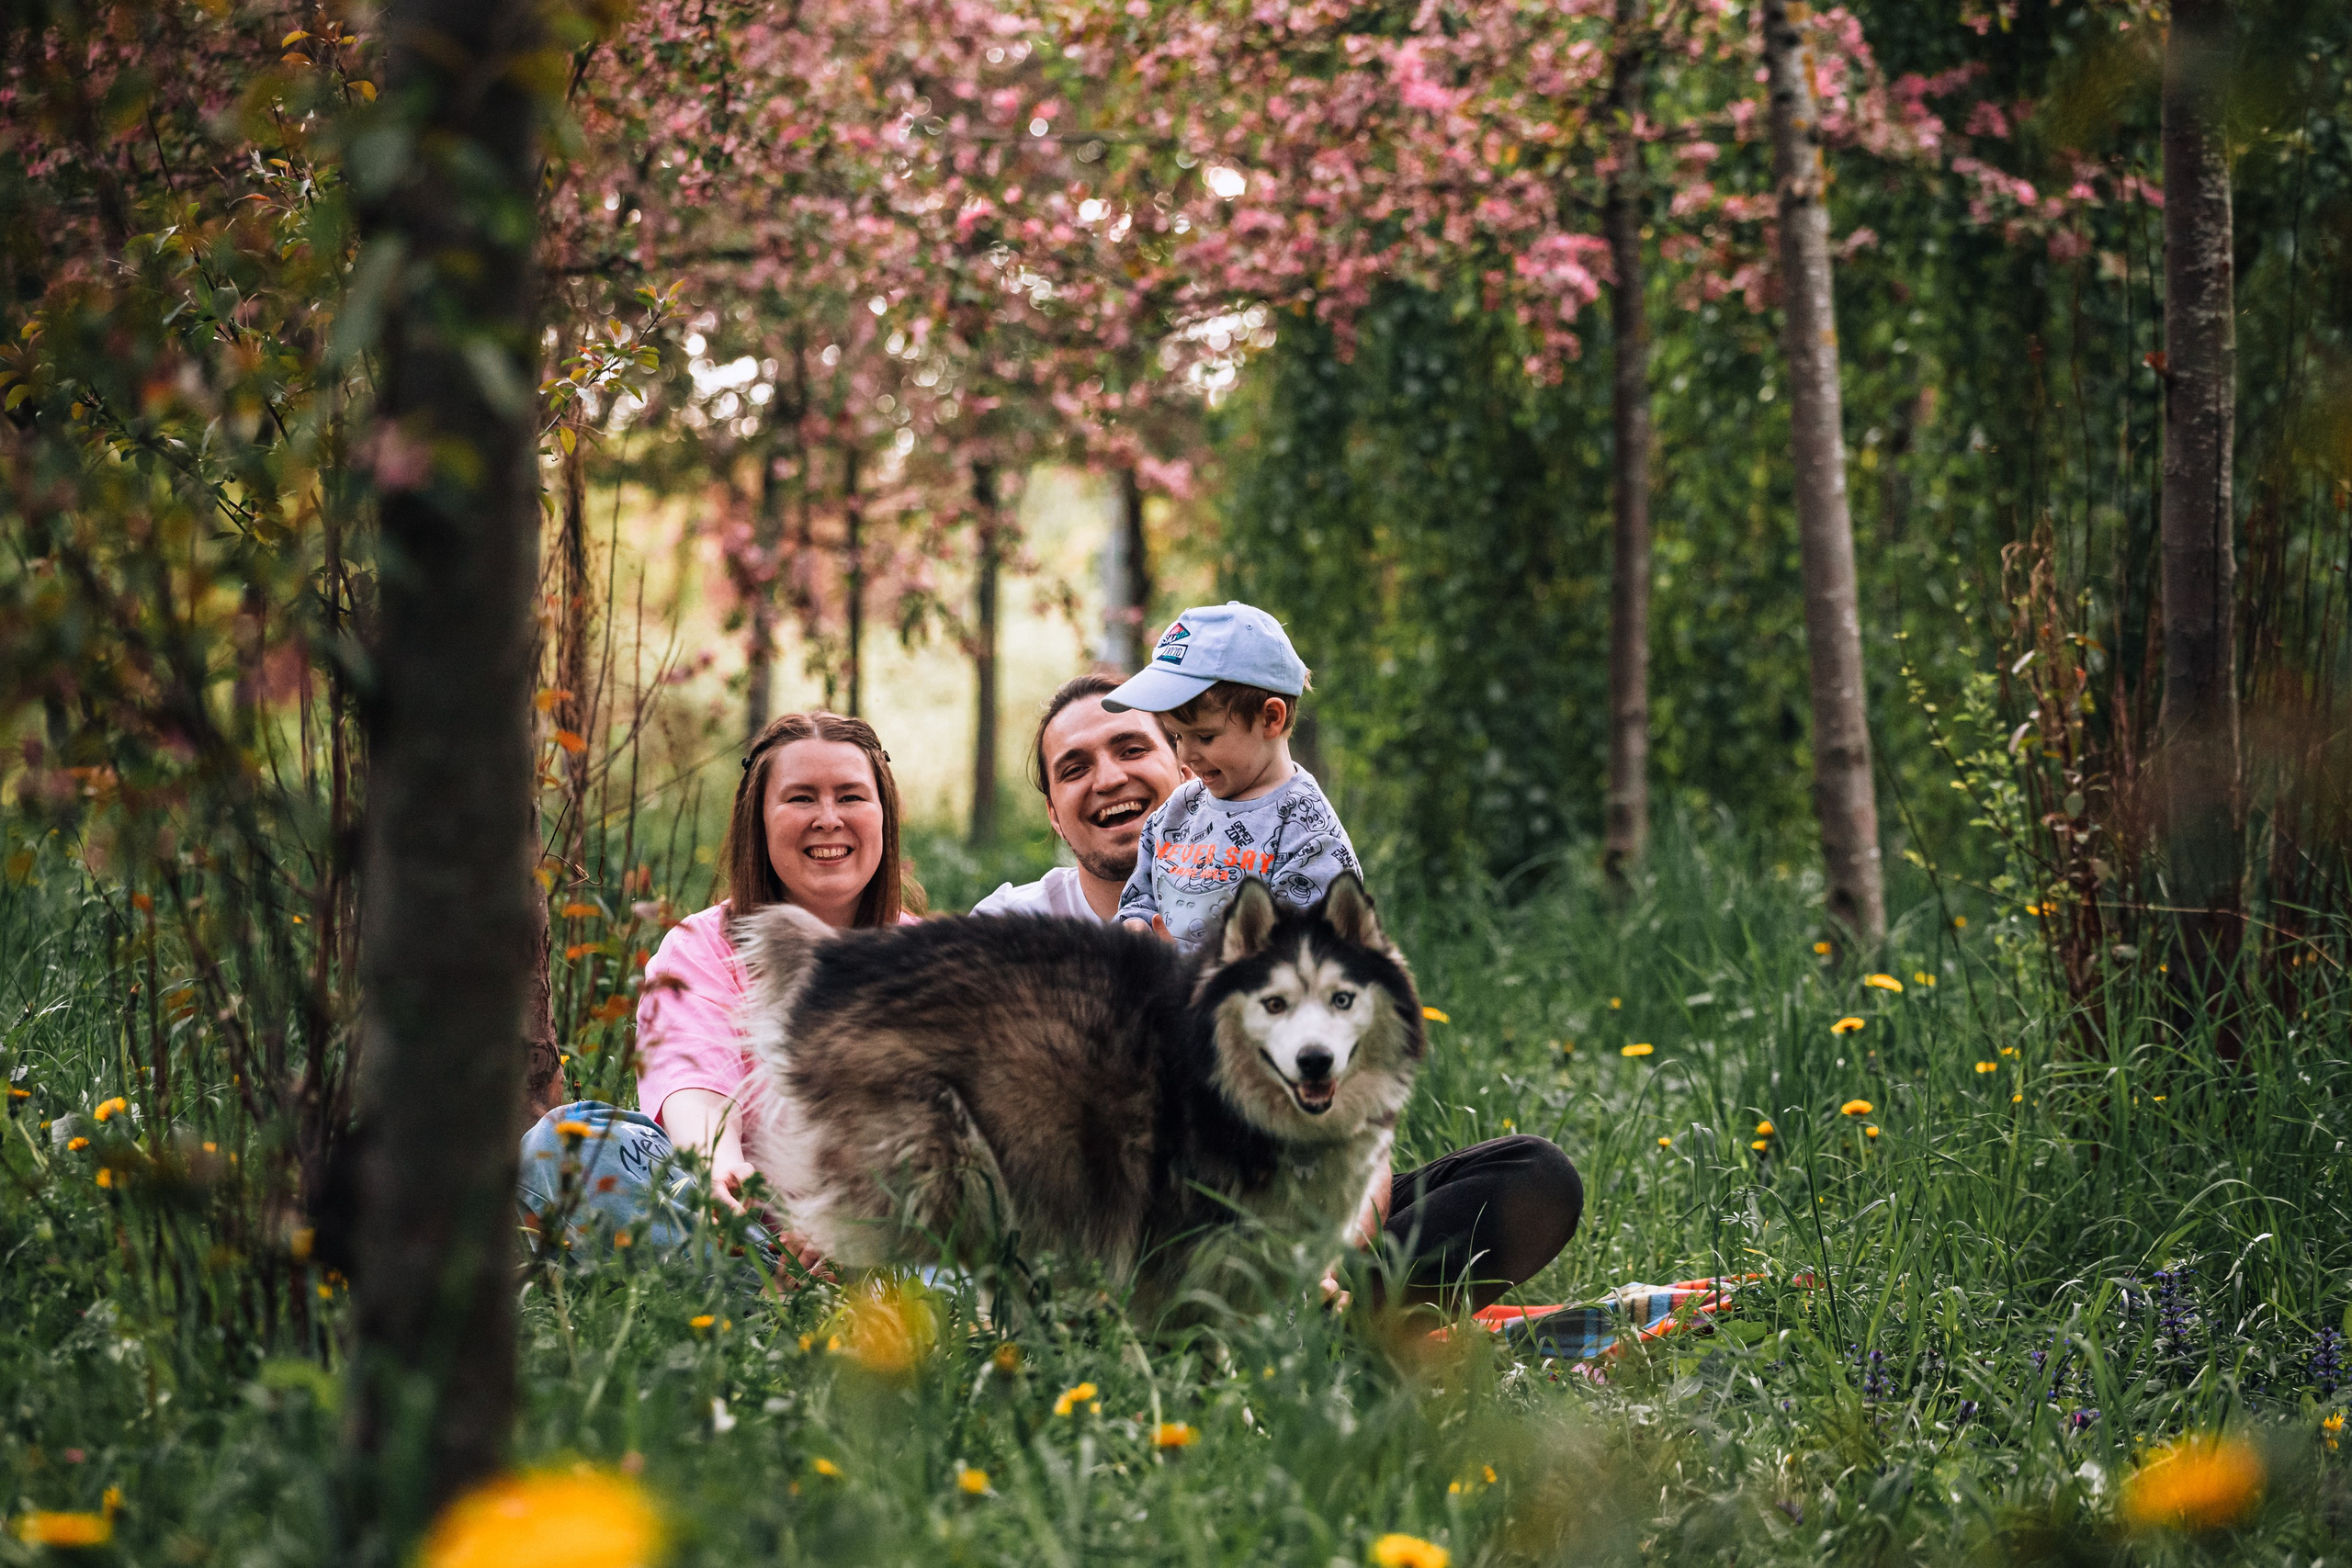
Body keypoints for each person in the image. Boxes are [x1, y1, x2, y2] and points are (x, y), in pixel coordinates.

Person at [517, 711, 922, 1265]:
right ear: (759, 819)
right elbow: (695, 1081)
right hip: (738, 1233)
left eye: (851, 796)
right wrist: (716, 1165)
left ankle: (859, 1307)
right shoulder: (701, 948)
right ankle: (782, 1296)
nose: (828, 818)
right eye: (801, 798)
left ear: (883, 816)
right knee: (568, 1145)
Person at [1105, 601, 1360, 951]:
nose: (1186, 755)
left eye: (1205, 737)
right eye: (1177, 736)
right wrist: (1136, 925)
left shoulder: (1307, 834)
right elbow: (1141, 897)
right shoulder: (1178, 811)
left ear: (1271, 718)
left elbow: (1312, 957)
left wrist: (1188, 971)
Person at [969, 673, 1189, 922]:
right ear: (1054, 817)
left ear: (1187, 772)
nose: (1109, 780)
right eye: (1075, 770)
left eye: (1132, 751)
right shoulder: (1004, 929)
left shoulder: (1240, 904)